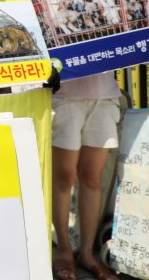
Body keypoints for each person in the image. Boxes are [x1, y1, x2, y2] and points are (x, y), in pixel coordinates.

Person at [51, 72, 121, 280]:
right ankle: (64, 250)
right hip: (63, 94)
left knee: (92, 177)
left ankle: (87, 254)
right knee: (64, 177)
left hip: (104, 94)